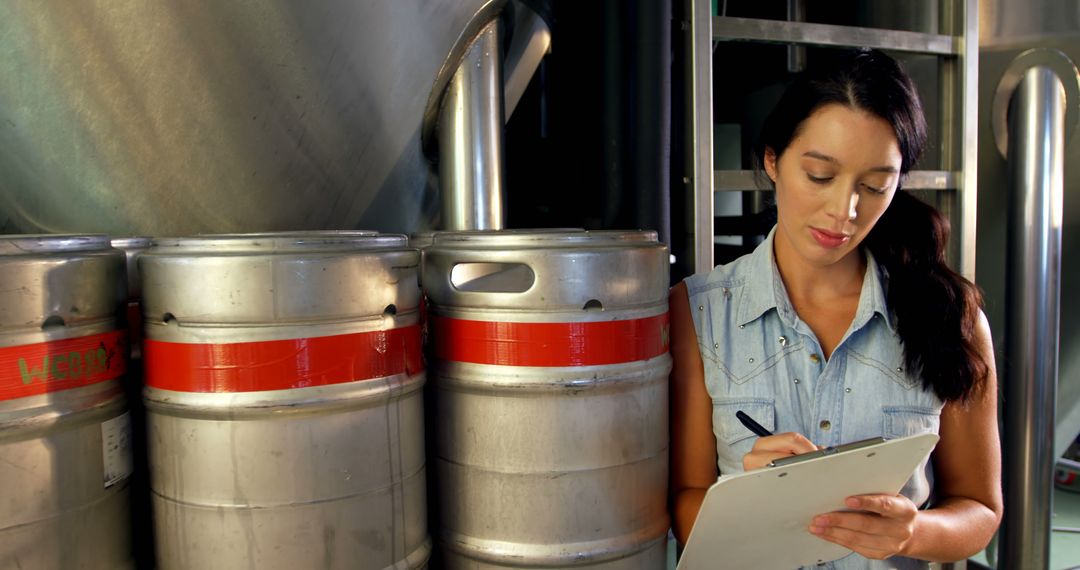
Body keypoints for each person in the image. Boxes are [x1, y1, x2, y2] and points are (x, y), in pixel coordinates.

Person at [669, 49, 1002, 568]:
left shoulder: (949, 317)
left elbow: (979, 509)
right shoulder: (699, 313)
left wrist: (912, 532)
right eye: (821, 176)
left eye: (874, 186)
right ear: (773, 159)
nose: (844, 211)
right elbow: (684, 501)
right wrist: (748, 501)